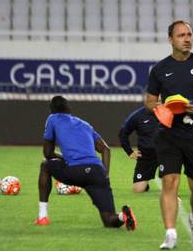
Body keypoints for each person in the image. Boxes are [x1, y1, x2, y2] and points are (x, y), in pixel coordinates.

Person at [145, 20, 193, 249]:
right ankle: (170, 233)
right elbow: (149, 101)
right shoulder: (159, 69)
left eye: (189, 34)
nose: (187, 39)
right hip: (169, 134)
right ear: (171, 39)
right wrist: (162, 108)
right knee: (170, 181)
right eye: (181, 35)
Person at [35, 95, 137, 231]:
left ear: (52, 110)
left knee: (45, 165)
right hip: (97, 172)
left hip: (75, 171)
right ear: (69, 108)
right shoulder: (85, 125)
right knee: (108, 219)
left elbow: (48, 154)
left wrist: (62, 158)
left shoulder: (53, 118)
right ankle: (121, 216)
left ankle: (42, 216)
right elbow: (105, 149)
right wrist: (105, 175)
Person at [119, 106, 159, 193]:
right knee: (138, 190)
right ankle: (145, 184)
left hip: (166, 154)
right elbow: (123, 133)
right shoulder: (138, 115)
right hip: (147, 156)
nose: (157, 102)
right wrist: (129, 152)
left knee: (170, 184)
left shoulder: (169, 112)